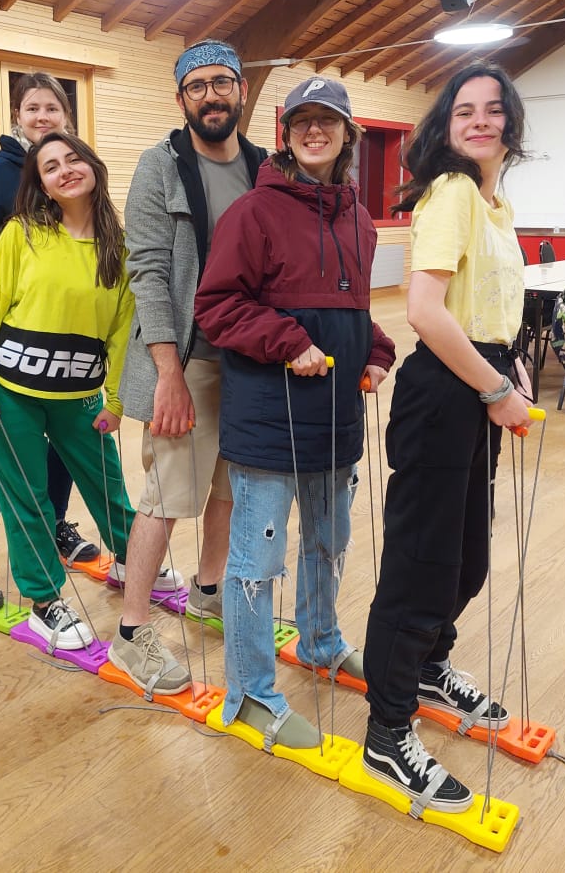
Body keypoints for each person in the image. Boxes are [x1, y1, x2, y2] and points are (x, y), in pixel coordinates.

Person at [194, 76, 396, 748]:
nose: (314, 130)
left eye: (327, 120)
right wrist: (287, 342)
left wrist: (375, 349)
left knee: (328, 542)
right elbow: (217, 306)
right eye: (301, 120)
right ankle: (250, 691)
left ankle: (320, 641)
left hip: (335, 419)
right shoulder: (252, 212)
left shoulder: (359, 220)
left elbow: (351, 308)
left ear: (347, 134)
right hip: (267, 421)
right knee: (257, 562)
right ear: (285, 135)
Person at [361, 62, 532, 812]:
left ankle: (429, 667)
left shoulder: (496, 205)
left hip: (478, 379)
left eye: (493, 109)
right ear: (446, 126)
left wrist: (510, 372)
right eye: (464, 110)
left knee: (465, 562)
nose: (480, 120)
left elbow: (488, 308)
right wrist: (495, 390)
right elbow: (426, 312)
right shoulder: (453, 191)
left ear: (511, 124)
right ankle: (386, 729)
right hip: (442, 393)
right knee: (421, 568)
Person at [108, 40, 268, 694]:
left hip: (249, 362)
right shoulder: (160, 165)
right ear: (181, 98)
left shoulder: (263, 167)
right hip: (187, 360)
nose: (210, 95)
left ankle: (207, 590)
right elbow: (146, 269)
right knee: (168, 495)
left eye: (221, 82)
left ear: (241, 92)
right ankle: (131, 632)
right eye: (196, 85)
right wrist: (168, 374)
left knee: (230, 487)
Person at [0, 132, 141, 648]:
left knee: (107, 482)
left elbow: (123, 331)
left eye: (73, 159)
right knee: (28, 497)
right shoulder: (22, 234)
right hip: (11, 393)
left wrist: (117, 399)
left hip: (79, 394)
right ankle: (44, 601)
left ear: (93, 166)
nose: (65, 170)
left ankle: (135, 560)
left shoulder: (121, 247)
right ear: (42, 185)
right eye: (51, 167)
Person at [0, 74, 99, 616]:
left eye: (51, 108)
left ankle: (52, 527)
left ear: (65, 116)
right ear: (18, 116)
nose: (42, 117)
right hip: (18, 342)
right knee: (10, 454)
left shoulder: (73, 173)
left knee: (62, 446)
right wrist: (16, 317)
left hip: (69, 349)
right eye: (32, 108)